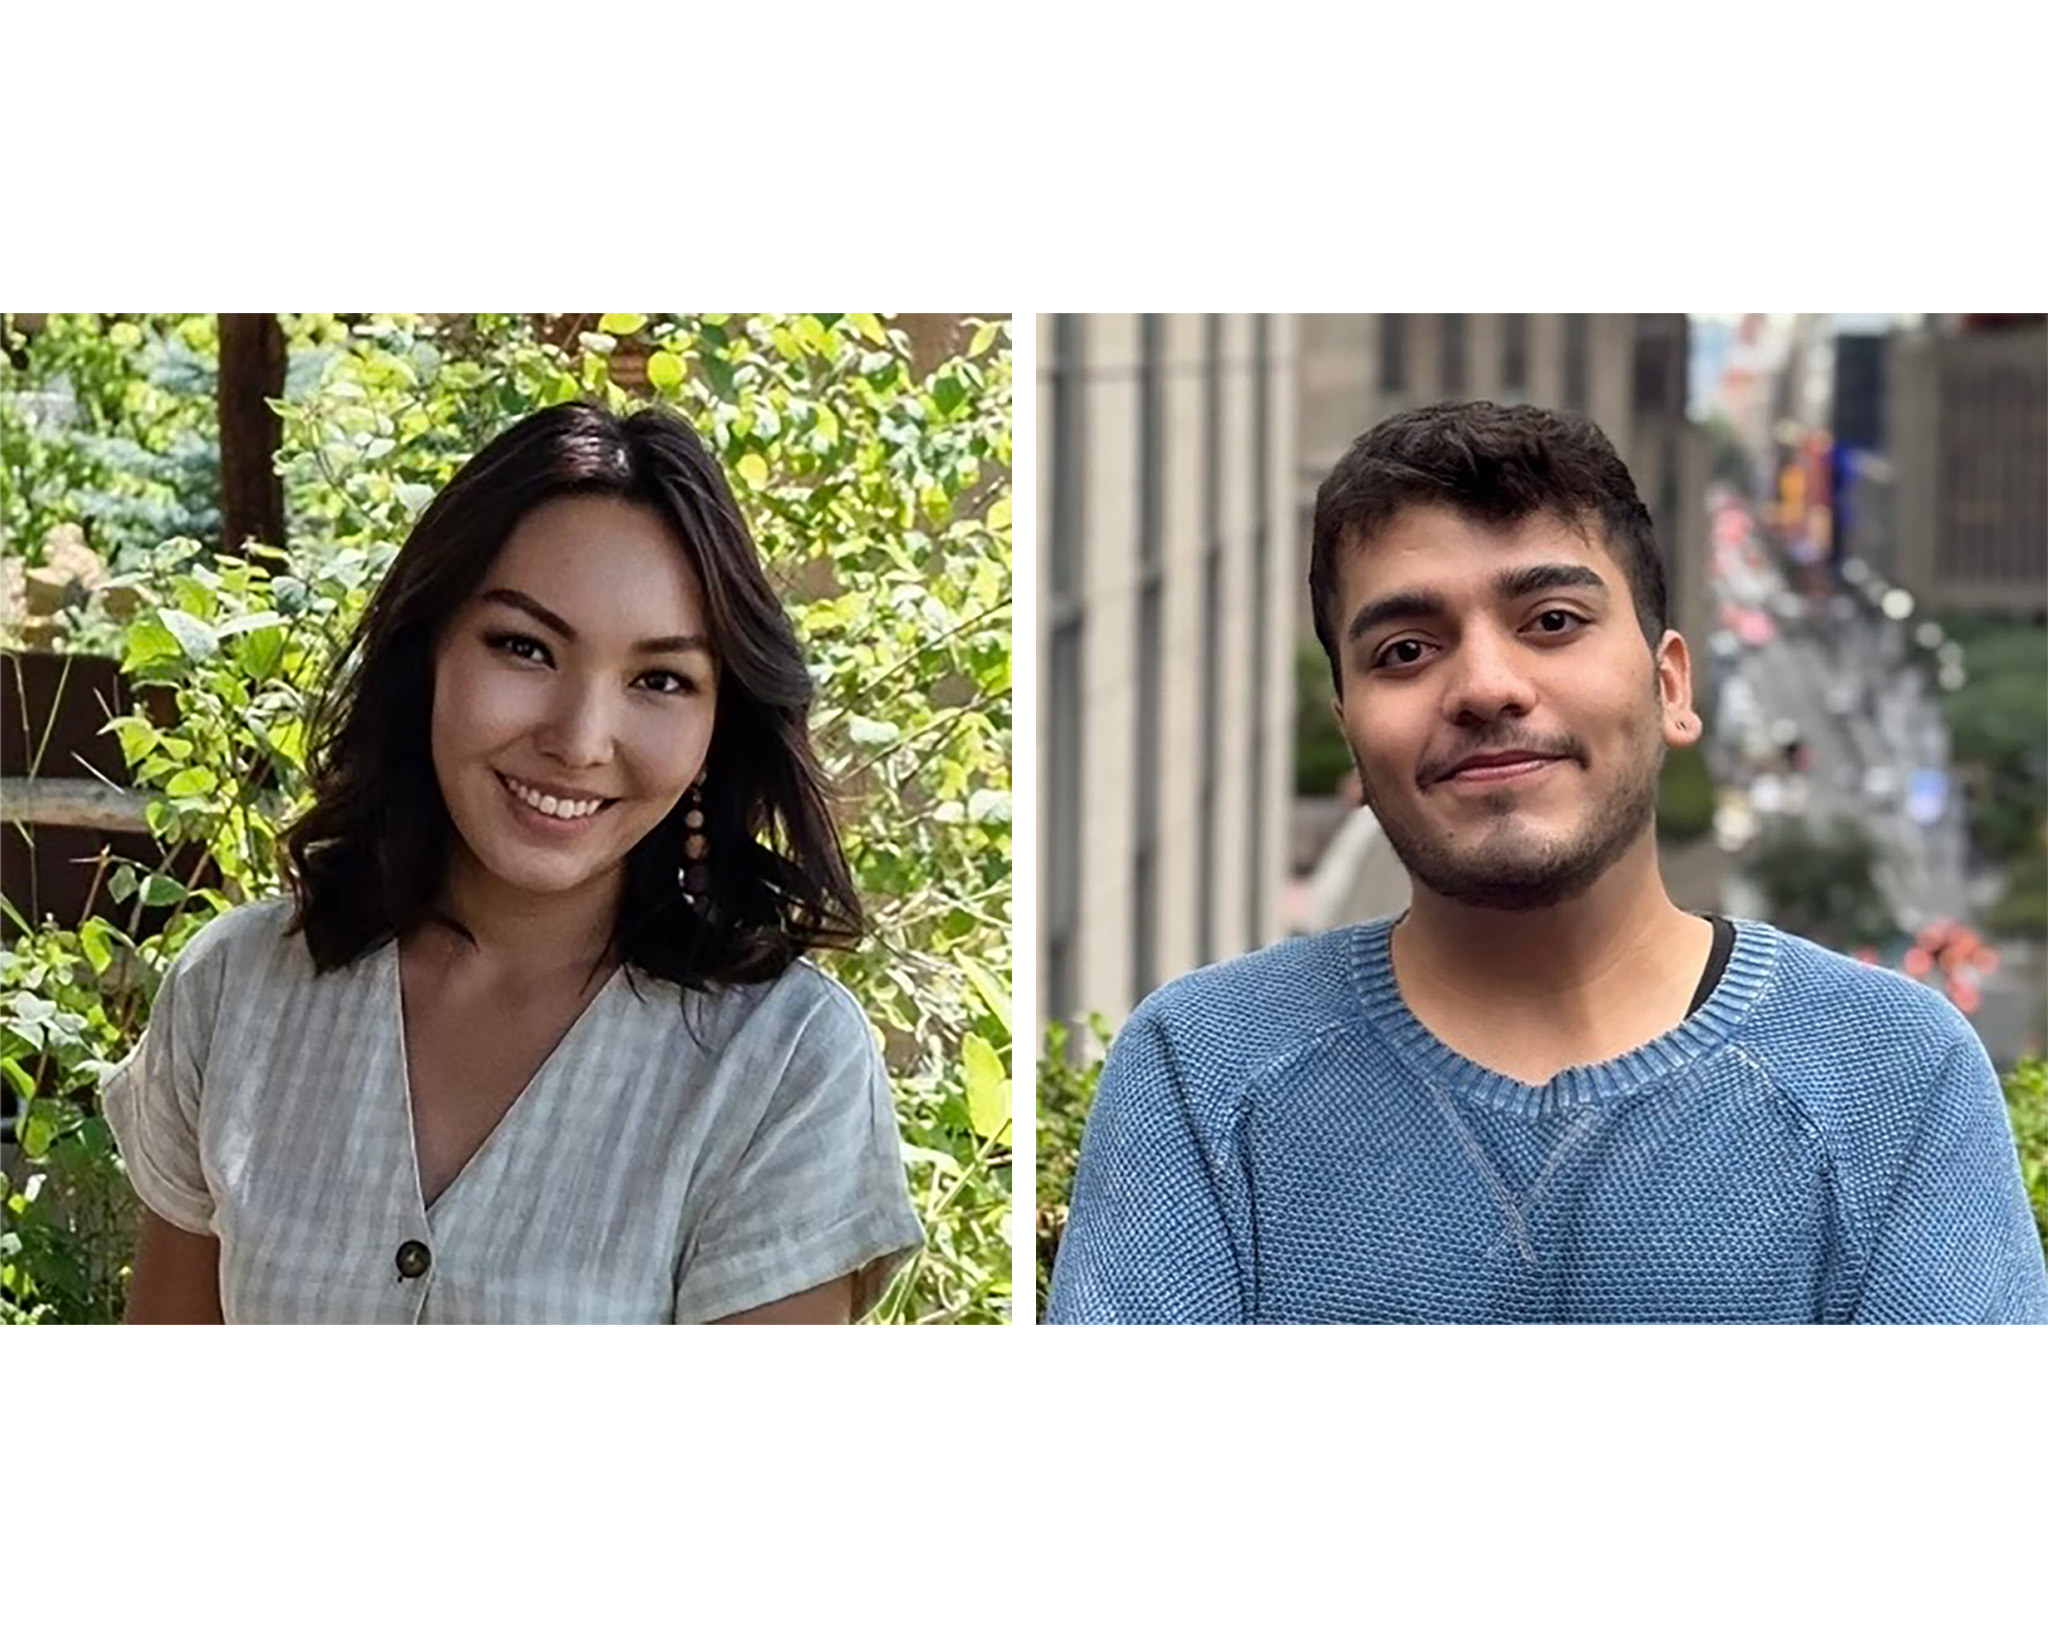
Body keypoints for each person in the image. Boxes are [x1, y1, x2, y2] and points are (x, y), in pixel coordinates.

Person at [1048, 400, 2046, 1325]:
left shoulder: (1893, 1075)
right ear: (1348, 732)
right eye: (1403, 649)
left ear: (1668, 687)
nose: (1485, 686)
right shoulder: (1200, 1071)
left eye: (1552, 623)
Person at [106, 402, 924, 1323]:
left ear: (715, 723)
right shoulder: (236, 995)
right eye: (524, 648)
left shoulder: (781, 1064)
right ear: (430, 654)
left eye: (660, 680)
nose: (579, 741)